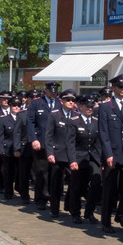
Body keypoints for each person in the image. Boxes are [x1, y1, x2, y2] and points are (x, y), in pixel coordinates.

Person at [98, 74, 123, 233]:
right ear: (113, 88)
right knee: (109, 190)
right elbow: (103, 132)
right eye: (120, 87)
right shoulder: (105, 107)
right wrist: (108, 154)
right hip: (112, 154)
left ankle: (121, 213)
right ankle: (106, 222)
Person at [69, 95, 107, 224]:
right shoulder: (74, 121)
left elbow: (99, 143)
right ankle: (75, 212)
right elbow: (70, 143)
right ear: (80, 107)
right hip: (79, 157)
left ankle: (89, 211)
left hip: (93, 157)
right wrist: (72, 160)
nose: (90, 109)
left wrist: (102, 160)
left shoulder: (96, 121)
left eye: (92, 107)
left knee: (97, 182)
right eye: (87, 106)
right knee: (78, 186)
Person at [25, 81, 61, 208]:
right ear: (45, 90)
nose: (53, 92)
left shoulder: (59, 103)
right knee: (41, 171)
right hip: (41, 143)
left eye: (55, 90)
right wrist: (33, 139)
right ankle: (40, 198)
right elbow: (30, 122)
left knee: (55, 172)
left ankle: (53, 197)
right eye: (51, 90)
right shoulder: (36, 103)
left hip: (56, 144)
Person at [44, 90, 79, 219]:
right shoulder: (54, 115)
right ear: (61, 101)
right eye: (67, 100)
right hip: (58, 154)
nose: (71, 102)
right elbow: (48, 136)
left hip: (73, 155)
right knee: (56, 183)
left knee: (74, 183)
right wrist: (50, 153)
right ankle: (54, 209)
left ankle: (71, 208)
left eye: (72, 100)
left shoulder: (77, 116)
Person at [0, 97, 23, 200]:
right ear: (10, 106)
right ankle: (8, 192)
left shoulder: (23, 118)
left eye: (18, 105)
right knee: (8, 172)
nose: (16, 107)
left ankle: (21, 191)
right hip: (8, 150)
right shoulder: (4, 119)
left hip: (20, 150)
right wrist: (0, 149)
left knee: (20, 172)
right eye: (14, 105)